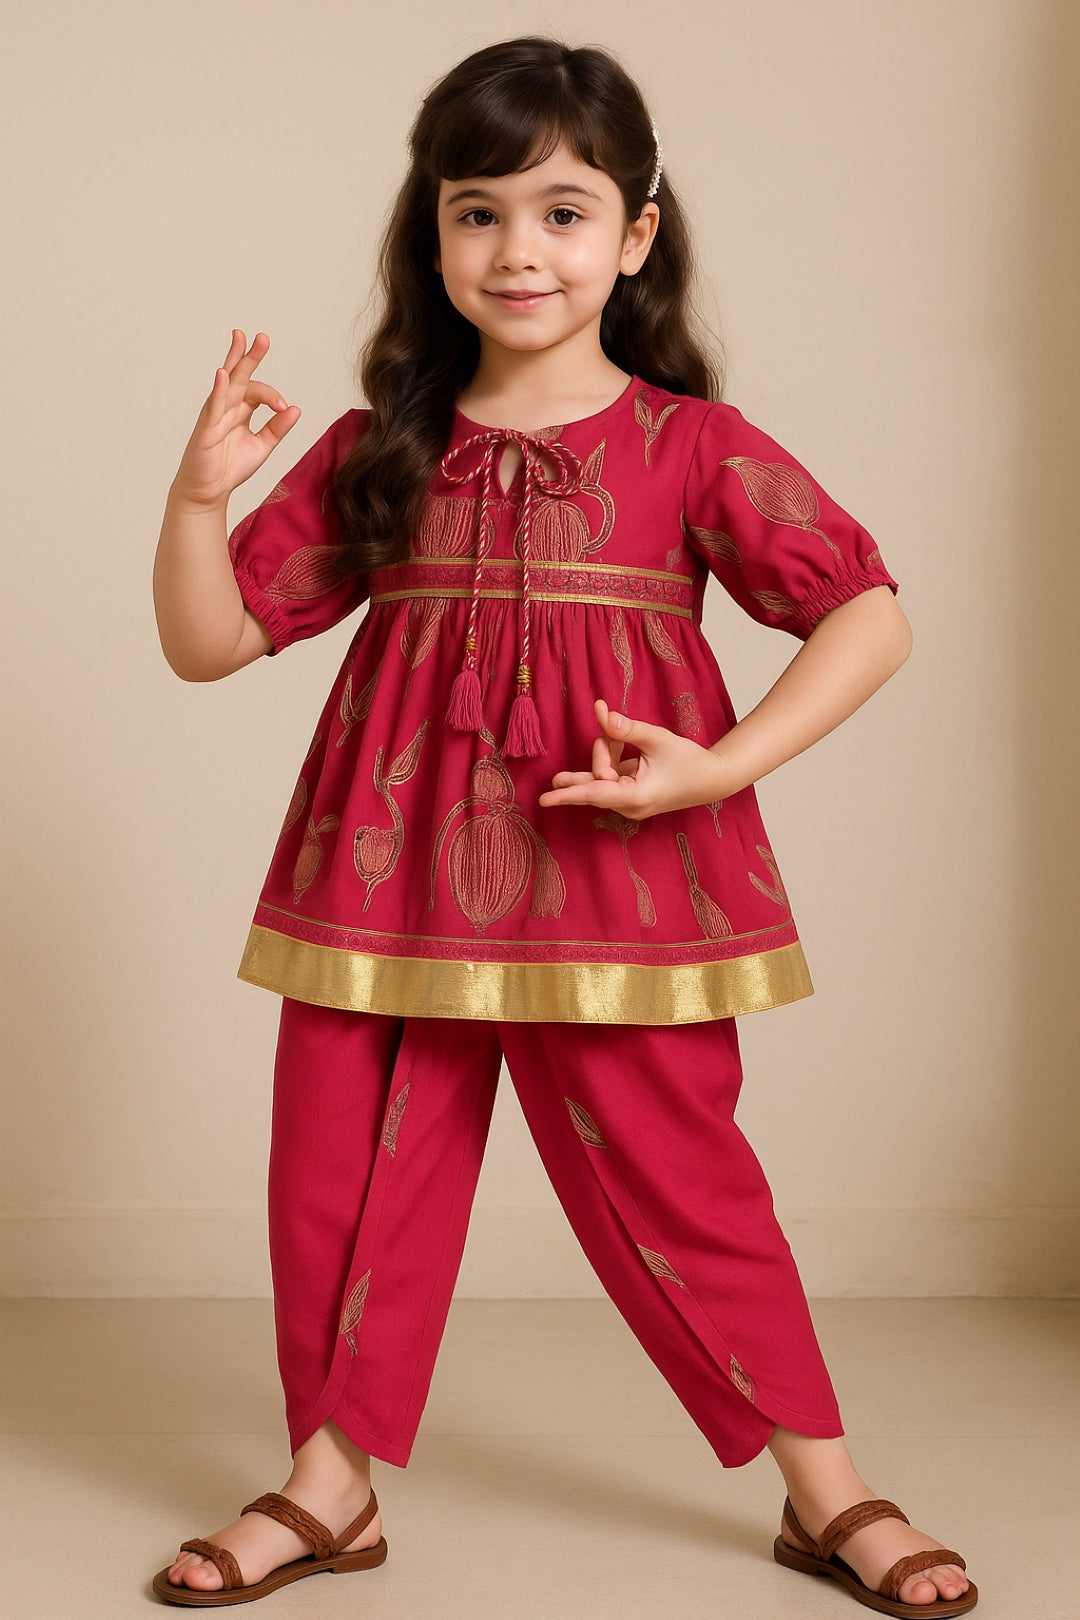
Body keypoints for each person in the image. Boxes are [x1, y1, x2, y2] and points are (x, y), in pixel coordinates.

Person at [150, 35, 976, 1616]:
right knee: (340, 1170)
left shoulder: (693, 447)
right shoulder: (381, 446)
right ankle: (329, 1482)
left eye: (563, 211)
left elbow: (868, 612)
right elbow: (210, 642)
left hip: (620, 876)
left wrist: (718, 768)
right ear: (433, 234)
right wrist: (198, 501)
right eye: (478, 212)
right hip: (388, 882)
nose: (519, 250)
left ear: (636, 235)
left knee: (684, 1177)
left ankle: (828, 1491)